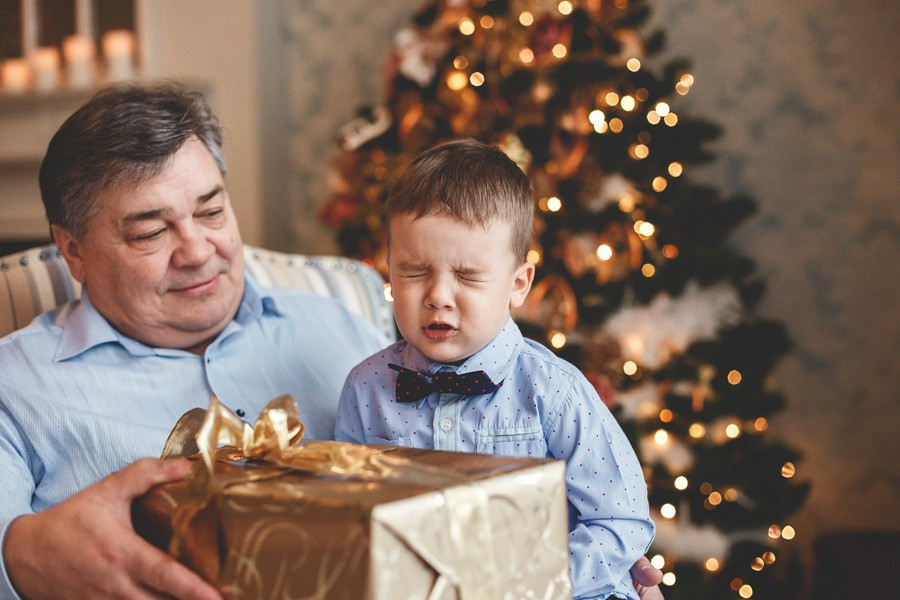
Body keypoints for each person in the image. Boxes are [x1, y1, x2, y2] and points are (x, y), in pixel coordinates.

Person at [0, 83, 664, 600]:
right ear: (73, 252)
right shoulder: (16, 385)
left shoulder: (344, 323)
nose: (197, 250)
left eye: (211, 210)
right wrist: (21, 556)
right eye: (150, 231)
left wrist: (587, 571)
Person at [336, 139, 656, 600]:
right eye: (414, 271)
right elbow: (345, 517)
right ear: (390, 270)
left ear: (518, 284)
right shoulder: (366, 389)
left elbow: (620, 520)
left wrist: (529, 584)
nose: (439, 295)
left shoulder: (555, 391)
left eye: (467, 276)